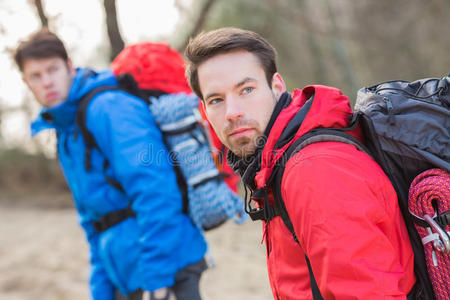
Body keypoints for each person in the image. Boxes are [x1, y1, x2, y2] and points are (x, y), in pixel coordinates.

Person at [184, 27, 416, 299]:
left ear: (277, 86)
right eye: (216, 100)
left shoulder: (312, 169)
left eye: (246, 89)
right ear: (205, 111)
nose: (232, 112)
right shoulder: (275, 163)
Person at [14, 29, 208, 300]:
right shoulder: (67, 130)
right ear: (26, 82)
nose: (47, 82)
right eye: (36, 76)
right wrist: (101, 290)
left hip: (164, 268)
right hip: (125, 272)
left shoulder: (109, 108)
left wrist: (158, 278)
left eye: (53, 69)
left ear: (69, 67)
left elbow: (156, 189)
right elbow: (94, 221)